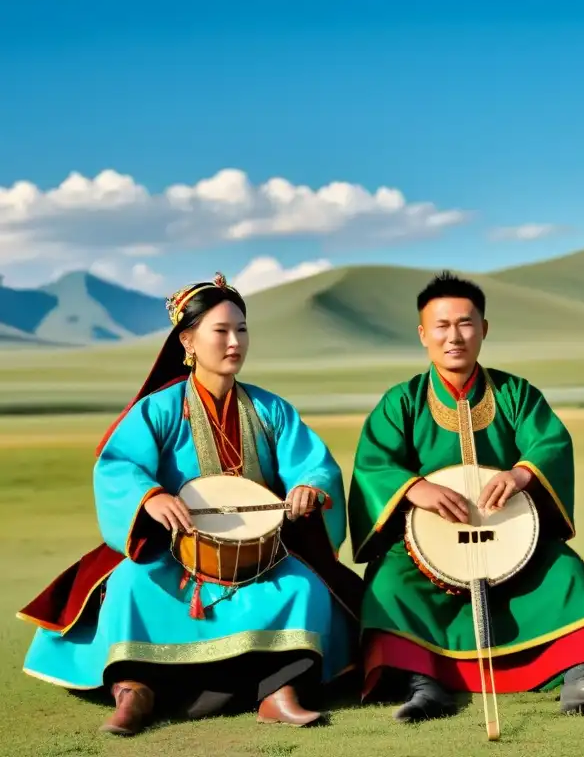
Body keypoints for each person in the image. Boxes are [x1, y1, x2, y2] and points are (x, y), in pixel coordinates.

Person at [17, 272, 364, 736]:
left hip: (260, 556)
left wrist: (309, 487)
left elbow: (313, 464)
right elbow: (118, 465)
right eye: (220, 331)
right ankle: (134, 691)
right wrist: (151, 495)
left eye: (241, 329)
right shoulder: (158, 409)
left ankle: (279, 693)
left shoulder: (271, 409)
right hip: (174, 551)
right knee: (129, 584)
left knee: (305, 588)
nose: (234, 341)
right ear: (189, 340)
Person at [346, 270, 584, 723]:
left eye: (465, 323)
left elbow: (551, 443)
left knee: (567, 573)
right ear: (423, 334)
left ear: (484, 328)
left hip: (512, 538)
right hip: (424, 547)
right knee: (389, 584)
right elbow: (372, 465)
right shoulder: (401, 402)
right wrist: (414, 488)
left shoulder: (516, 394)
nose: (453, 336)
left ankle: (580, 680)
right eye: (441, 325)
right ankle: (426, 685)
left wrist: (521, 474)